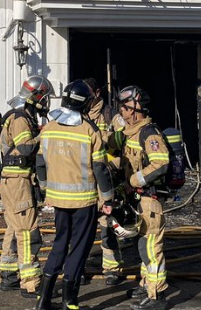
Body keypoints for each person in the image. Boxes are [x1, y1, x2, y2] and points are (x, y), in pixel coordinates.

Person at [35, 79, 115, 310]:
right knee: (79, 248)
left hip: (58, 200)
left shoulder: (49, 127)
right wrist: (108, 198)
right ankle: (70, 302)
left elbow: (40, 162)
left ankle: (44, 300)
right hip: (84, 201)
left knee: (59, 244)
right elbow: (100, 168)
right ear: (85, 103)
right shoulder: (89, 130)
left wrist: (44, 188)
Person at [116, 86, 170, 310]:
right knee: (142, 246)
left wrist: (134, 181)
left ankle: (157, 296)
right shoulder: (132, 132)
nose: (121, 109)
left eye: (124, 106)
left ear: (135, 108)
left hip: (149, 199)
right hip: (137, 200)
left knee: (151, 249)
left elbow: (160, 163)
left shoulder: (149, 133)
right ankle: (146, 284)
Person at [0, 75, 52, 297]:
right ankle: (30, 283)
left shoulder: (22, 114)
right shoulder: (20, 118)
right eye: (44, 97)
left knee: (14, 228)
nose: (46, 102)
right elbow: (26, 148)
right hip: (18, 182)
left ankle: (9, 275)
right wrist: (44, 135)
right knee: (28, 230)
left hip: (13, 180)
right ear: (36, 97)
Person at [82, 78, 123, 285]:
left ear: (97, 93)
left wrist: (113, 166)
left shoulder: (111, 115)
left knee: (108, 226)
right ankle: (79, 267)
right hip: (84, 181)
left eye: (87, 92)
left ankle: (112, 269)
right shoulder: (78, 116)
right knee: (81, 227)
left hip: (106, 180)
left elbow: (124, 141)